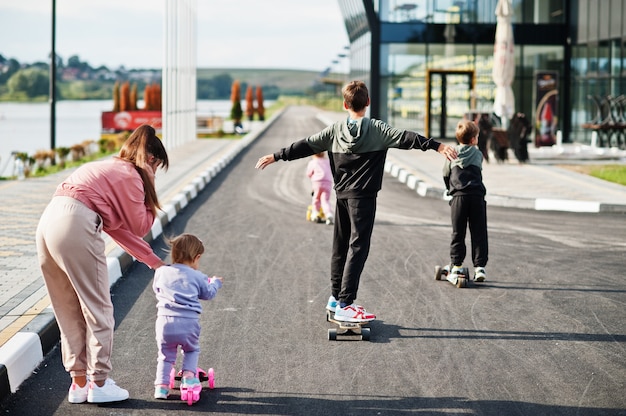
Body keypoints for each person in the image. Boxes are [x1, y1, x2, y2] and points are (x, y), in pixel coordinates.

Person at [255, 80, 457, 322]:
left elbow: (305, 145)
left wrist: (277, 156)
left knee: (340, 246)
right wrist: (437, 146)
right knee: (358, 247)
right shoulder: (378, 129)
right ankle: (346, 302)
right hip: (363, 198)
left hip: (341, 196)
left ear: (344, 104)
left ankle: (335, 298)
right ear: (368, 103)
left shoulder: (334, 130)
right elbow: (407, 138)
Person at [35, 124, 169, 404]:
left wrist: (154, 262)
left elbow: (118, 229)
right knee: (98, 308)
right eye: (158, 168)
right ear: (152, 160)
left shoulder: (108, 168)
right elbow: (139, 225)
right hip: (75, 223)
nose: (155, 175)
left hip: (48, 223)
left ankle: (79, 383)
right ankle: (100, 382)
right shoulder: (132, 176)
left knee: (66, 308)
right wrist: (150, 183)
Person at [152, 233, 223, 402]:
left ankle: (161, 388)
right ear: (196, 257)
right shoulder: (197, 276)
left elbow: (157, 290)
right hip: (188, 323)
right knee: (191, 349)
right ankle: (189, 377)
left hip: (164, 323)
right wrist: (215, 283)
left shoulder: (161, 271)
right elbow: (208, 294)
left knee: (165, 355)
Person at [443, 120, 489, 283]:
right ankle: (479, 268)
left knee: (458, 232)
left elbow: (446, 174)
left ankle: (456, 264)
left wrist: (449, 190)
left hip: (459, 197)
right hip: (477, 196)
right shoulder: (478, 154)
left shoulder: (452, 153)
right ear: (473, 140)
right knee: (479, 232)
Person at [306, 152, 334, 225]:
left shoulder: (313, 162)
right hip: (328, 182)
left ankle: (315, 213)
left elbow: (309, 174)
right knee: (325, 200)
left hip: (317, 182)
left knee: (316, 198)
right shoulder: (327, 161)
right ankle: (328, 215)